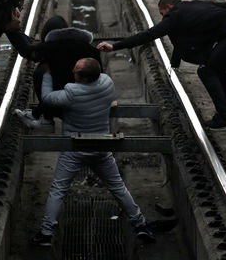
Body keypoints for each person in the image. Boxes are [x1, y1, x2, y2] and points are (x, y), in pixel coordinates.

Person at [97, 0, 226, 130]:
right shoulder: (195, 4)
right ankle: (224, 114)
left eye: (162, 13)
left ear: (168, 6)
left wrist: (115, 46)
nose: (163, 18)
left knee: (206, 70)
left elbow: (148, 34)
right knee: (216, 68)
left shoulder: (174, 16)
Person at [29, 58, 155, 247]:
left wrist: (46, 76)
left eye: (76, 70)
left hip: (75, 149)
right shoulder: (107, 83)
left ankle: (46, 233)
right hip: (101, 148)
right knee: (118, 188)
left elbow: (47, 99)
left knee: (58, 189)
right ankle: (140, 225)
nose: (72, 70)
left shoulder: (71, 93)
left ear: (85, 78)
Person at [10, 15, 102, 127]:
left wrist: (13, 30)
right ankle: (40, 115)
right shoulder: (91, 49)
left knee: (42, 72)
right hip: (94, 105)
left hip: (64, 107)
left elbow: (27, 51)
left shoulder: (49, 48)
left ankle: (47, 120)